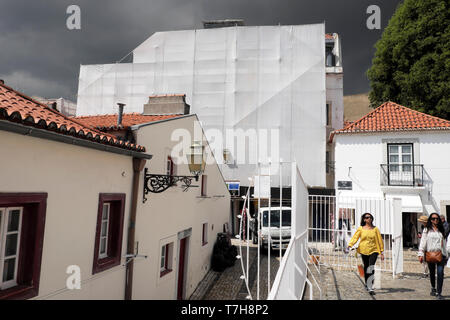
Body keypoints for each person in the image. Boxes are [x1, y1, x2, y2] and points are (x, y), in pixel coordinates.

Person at [347, 213, 384, 295]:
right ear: (364, 219)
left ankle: (370, 286)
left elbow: (380, 240)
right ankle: (367, 284)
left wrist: (381, 252)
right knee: (366, 267)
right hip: (363, 250)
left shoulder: (375, 229)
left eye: (370, 217)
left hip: (374, 250)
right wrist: (350, 245)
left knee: (371, 267)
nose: (369, 219)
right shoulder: (361, 229)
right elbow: (355, 237)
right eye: (367, 217)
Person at [418, 213, 448, 300]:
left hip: (440, 254)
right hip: (430, 253)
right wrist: (420, 253)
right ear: (430, 220)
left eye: (437, 219)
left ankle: (439, 292)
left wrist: (445, 254)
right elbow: (423, 241)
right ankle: (433, 287)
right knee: (432, 272)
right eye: (433, 218)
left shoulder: (441, 229)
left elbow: (444, 243)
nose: (435, 220)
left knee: (440, 273)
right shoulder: (427, 230)